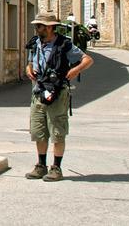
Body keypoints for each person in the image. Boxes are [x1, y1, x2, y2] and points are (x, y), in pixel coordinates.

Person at [25, 11, 94, 182]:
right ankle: (41, 165)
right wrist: (29, 70)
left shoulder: (64, 45)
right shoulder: (35, 44)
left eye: (39, 26)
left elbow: (87, 60)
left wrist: (74, 70)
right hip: (38, 92)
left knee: (57, 131)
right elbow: (30, 62)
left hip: (58, 92)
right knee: (39, 130)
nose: (36, 29)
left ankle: (56, 168)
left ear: (49, 28)